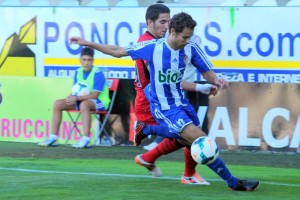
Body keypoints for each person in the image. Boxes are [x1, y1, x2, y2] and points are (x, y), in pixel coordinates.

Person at [69, 12, 259, 191]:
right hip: (163, 105)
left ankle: (152, 141)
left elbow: (205, 71)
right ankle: (233, 182)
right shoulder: (153, 47)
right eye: (184, 37)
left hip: (181, 102)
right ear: (173, 32)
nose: (187, 41)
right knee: (201, 141)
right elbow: (117, 51)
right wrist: (87, 42)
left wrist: (216, 81)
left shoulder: (190, 47)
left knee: (186, 140)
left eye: (190, 37)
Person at [131, 4, 217, 185]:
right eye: (162, 22)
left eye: (168, 22)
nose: (166, 26)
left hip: (159, 96)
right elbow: (163, 80)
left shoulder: (161, 43)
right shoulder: (150, 44)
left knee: (189, 134)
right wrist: (200, 87)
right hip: (150, 99)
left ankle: (151, 159)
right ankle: (145, 131)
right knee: (188, 134)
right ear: (150, 22)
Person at [38, 47, 110, 148]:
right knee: (57, 104)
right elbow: (76, 90)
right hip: (82, 101)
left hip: (100, 102)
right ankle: (53, 137)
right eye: (84, 60)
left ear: (93, 61)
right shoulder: (78, 72)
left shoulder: (98, 73)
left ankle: (85, 139)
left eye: (89, 60)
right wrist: (71, 96)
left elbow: (95, 95)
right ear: (80, 60)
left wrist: (76, 99)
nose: (86, 63)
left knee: (84, 105)